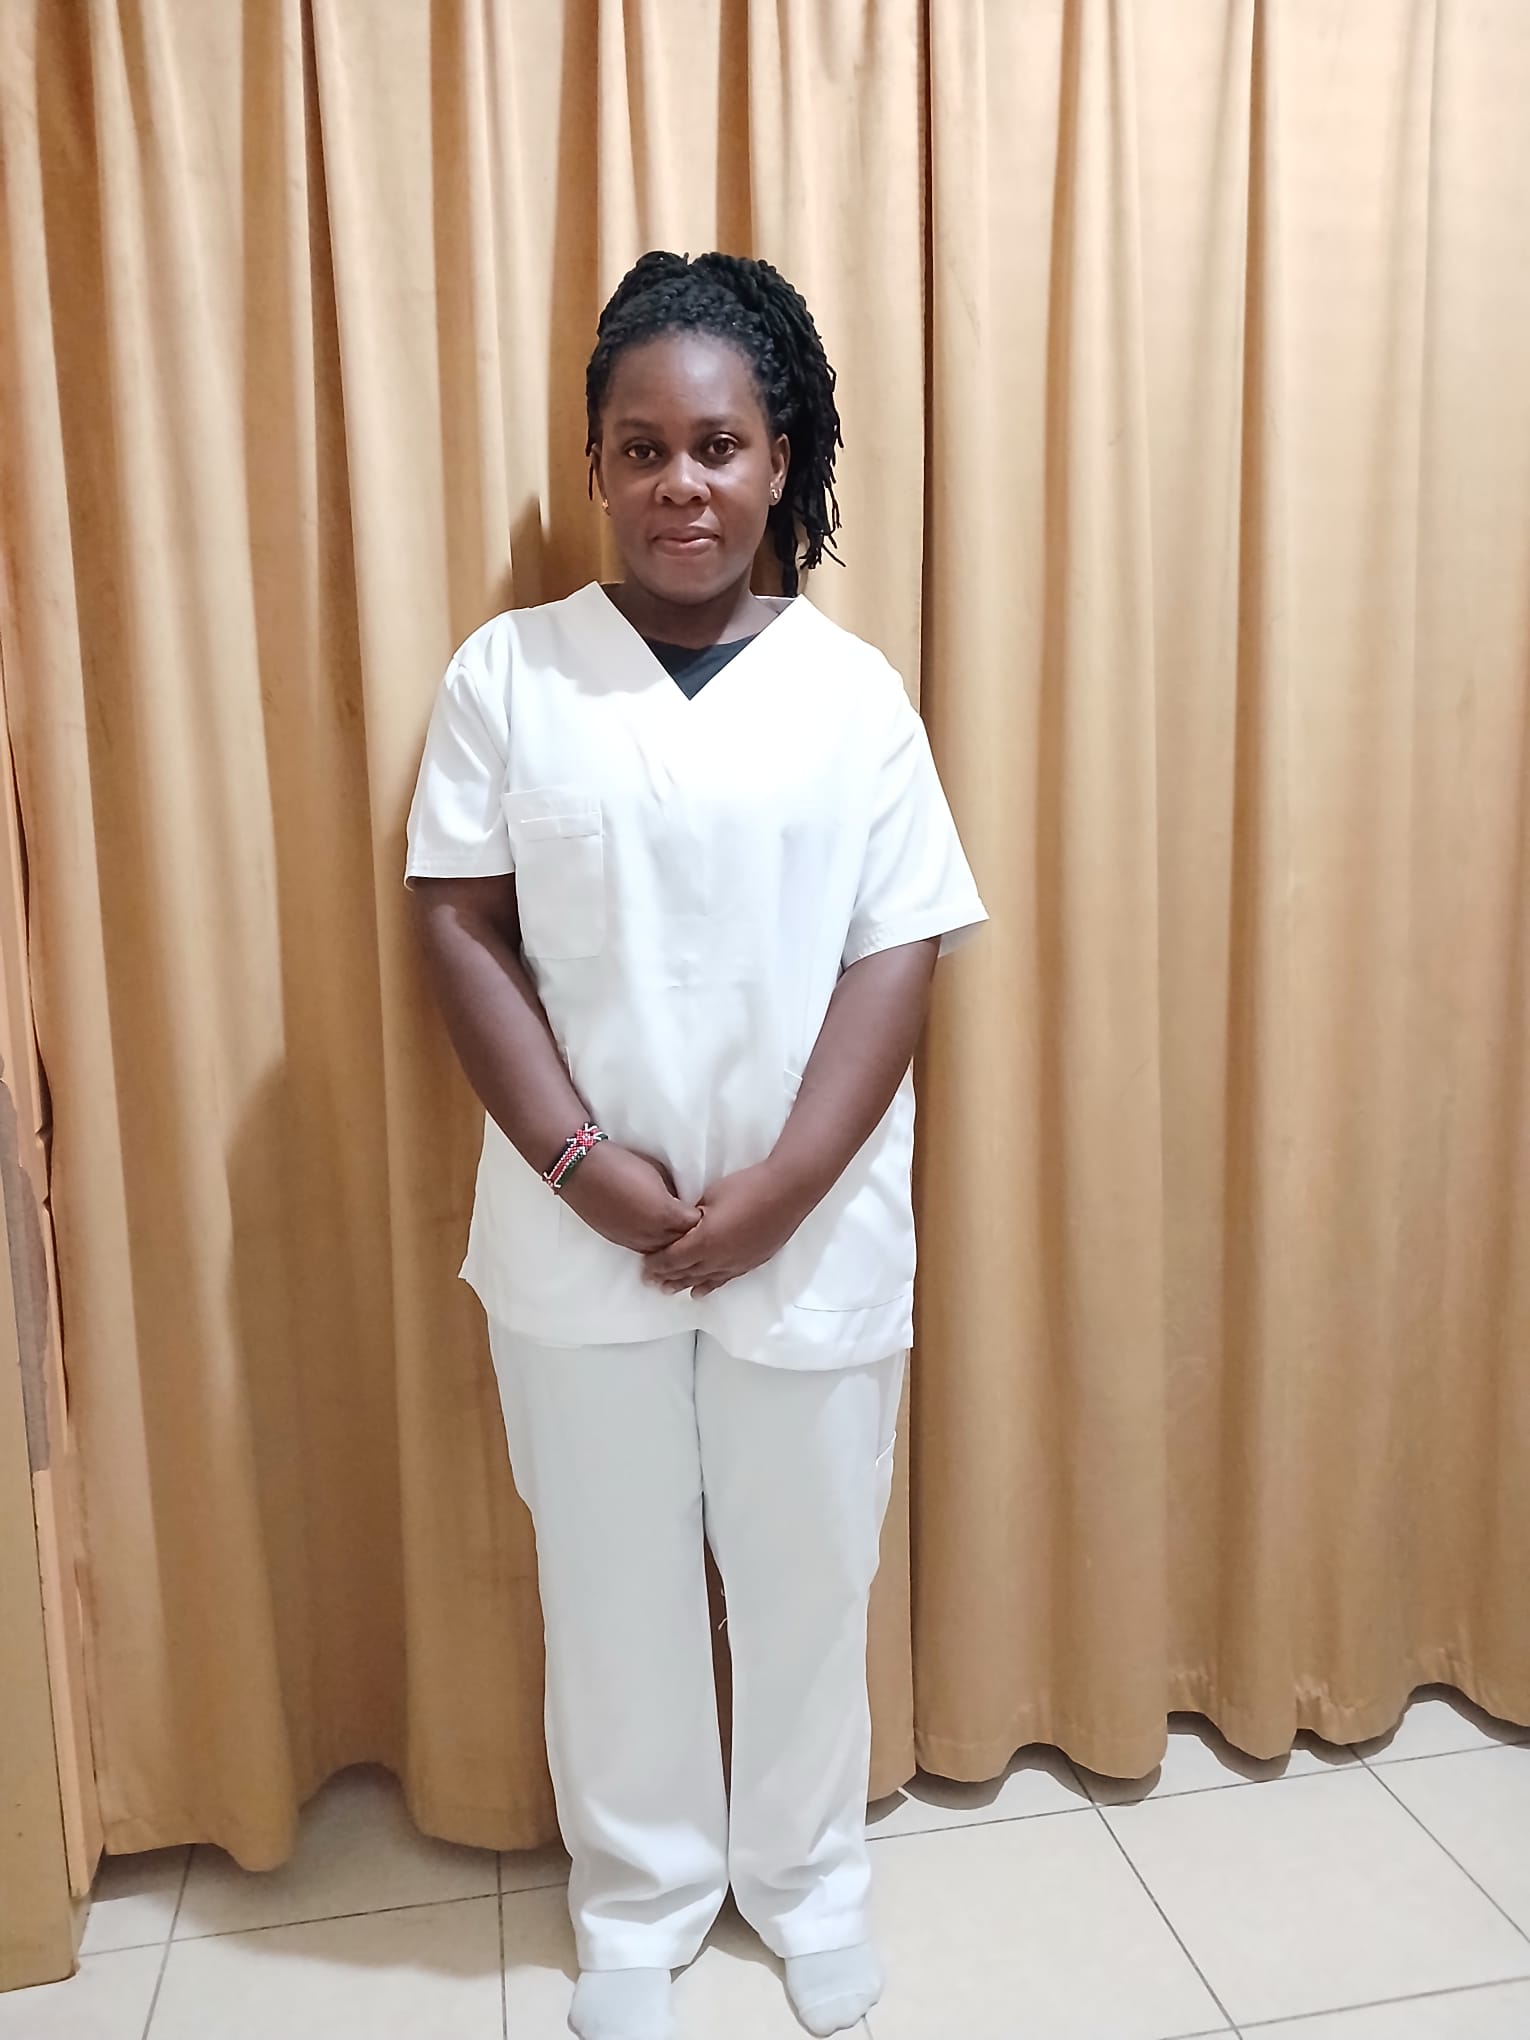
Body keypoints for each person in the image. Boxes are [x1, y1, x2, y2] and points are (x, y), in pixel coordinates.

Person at [405, 250, 986, 2040]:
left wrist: (782, 1190)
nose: (682, 484)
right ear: (594, 464)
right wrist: (586, 1169)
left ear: (778, 460)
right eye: (642, 447)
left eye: (719, 447)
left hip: (809, 1233)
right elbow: (457, 925)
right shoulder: (511, 676)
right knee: (610, 1587)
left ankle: (806, 1884)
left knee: (810, 1578)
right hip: (576, 1231)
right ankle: (637, 1903)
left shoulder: (852, 692)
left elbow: (898, 949)